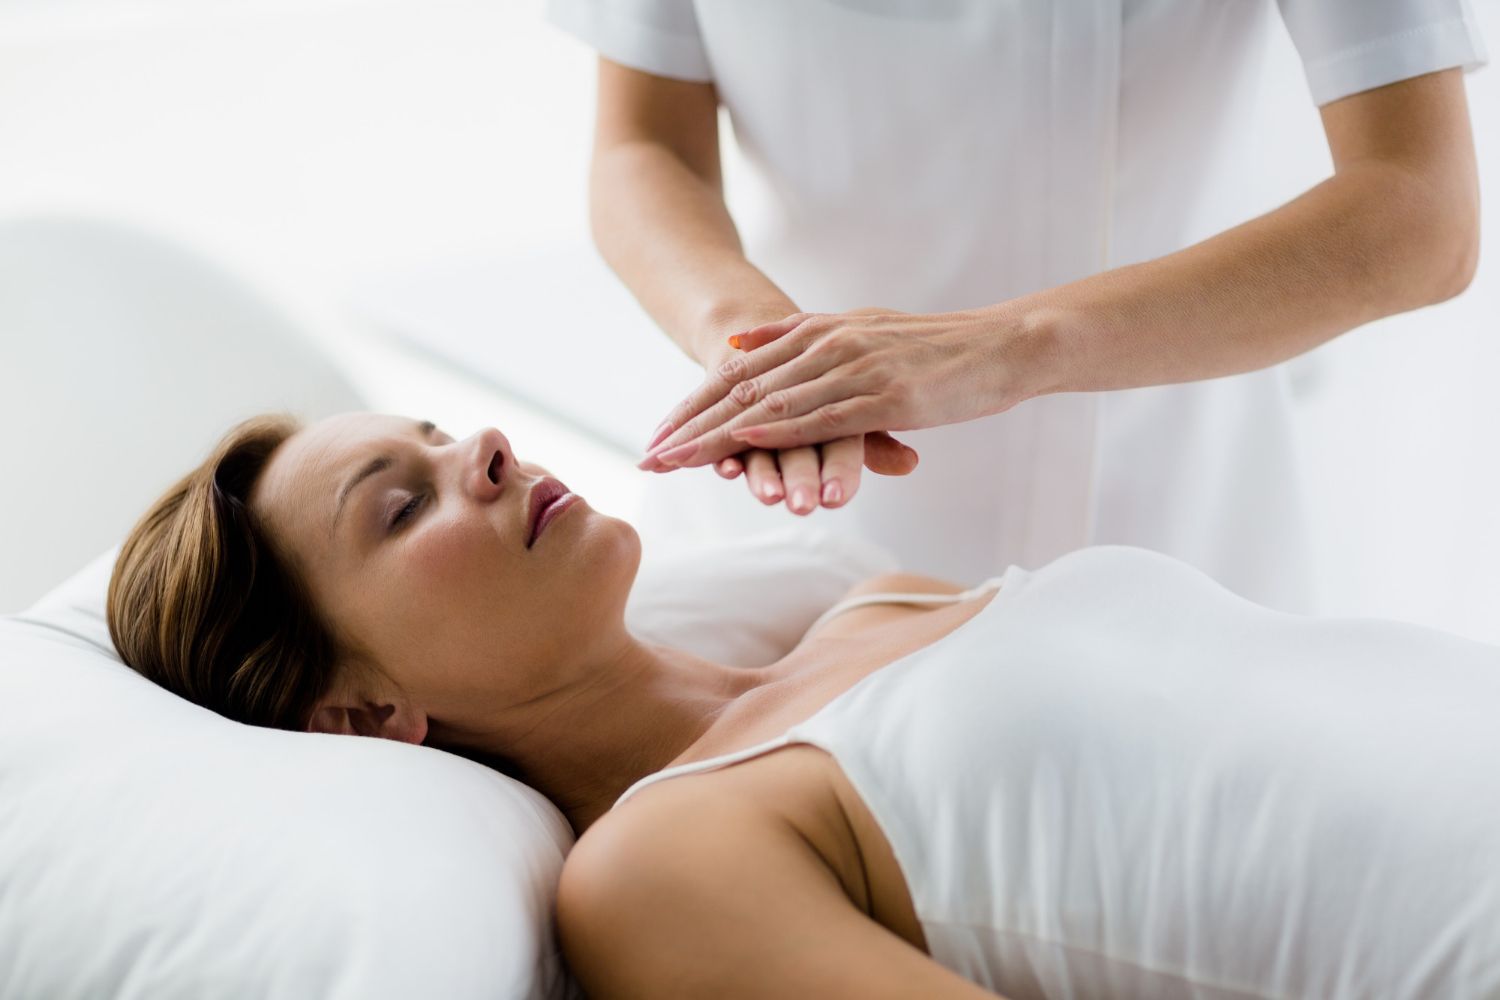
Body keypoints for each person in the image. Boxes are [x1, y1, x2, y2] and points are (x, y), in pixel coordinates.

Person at [107, 411, 1500, 998]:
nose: (475, 445)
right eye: (401, 503)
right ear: (359, 717)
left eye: (429, 429)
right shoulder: (657, 867)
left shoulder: (871, 601)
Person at [552, 0, 1488, 612]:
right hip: (779, 523)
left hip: (1165, 541)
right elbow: (644, 144)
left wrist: (1007, 346)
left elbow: (1418, 212)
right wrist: (760, 352)